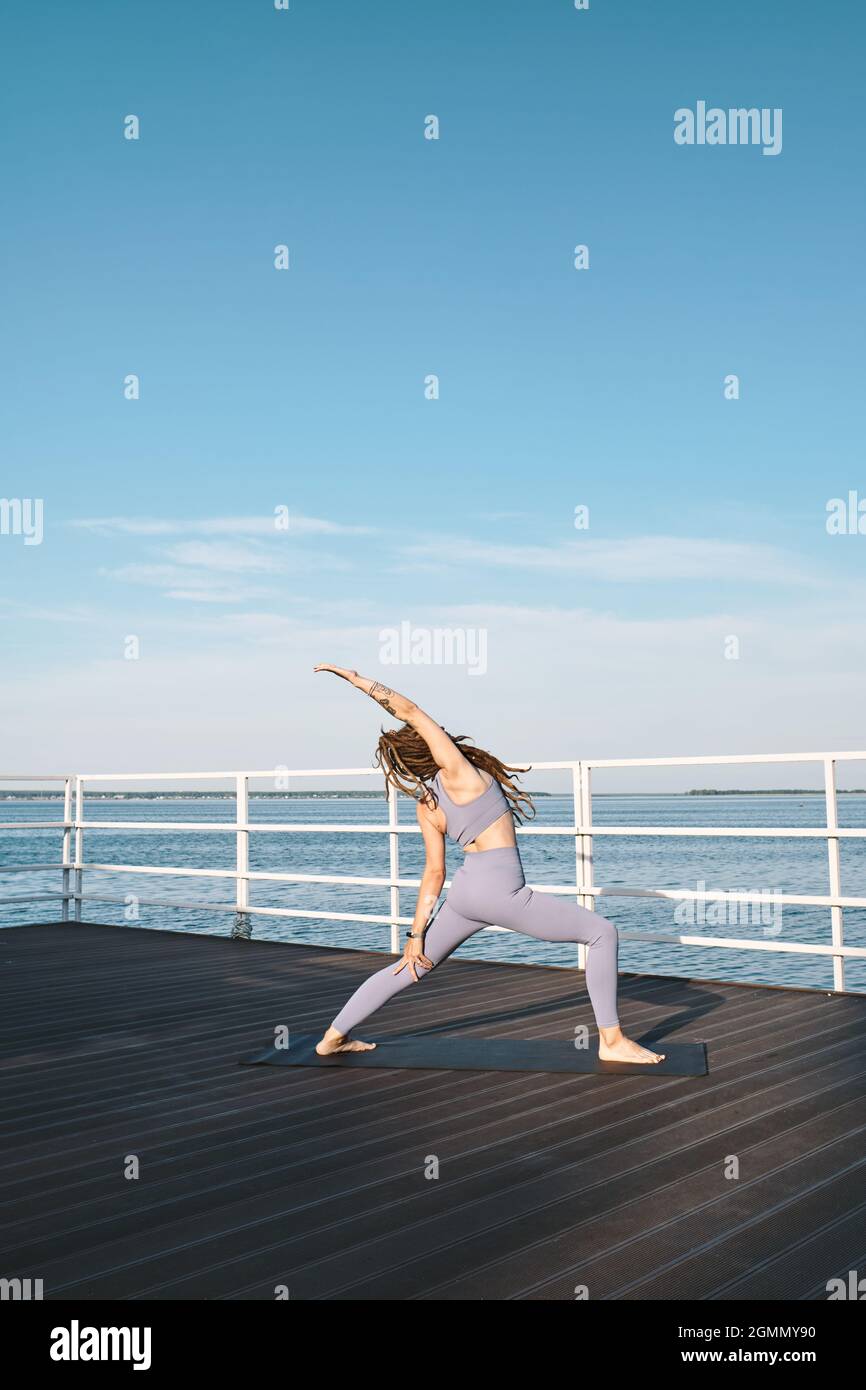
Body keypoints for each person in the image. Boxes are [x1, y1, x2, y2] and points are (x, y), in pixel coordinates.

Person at [313, 664, 664, 1064]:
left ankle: (333, 1037)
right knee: (602, 934)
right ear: (432, 745)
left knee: (411, 967)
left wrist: (416, 934)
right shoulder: (461, 773)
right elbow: (408, 709)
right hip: (502, 892)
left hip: (465, 895)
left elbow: (434, 874)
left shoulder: (428, 803)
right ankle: (612, 1042)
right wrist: (358, 680)